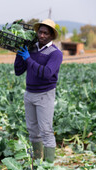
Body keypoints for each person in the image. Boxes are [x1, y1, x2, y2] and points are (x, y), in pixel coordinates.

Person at [14, 19, 63, 162]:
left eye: (45, 33)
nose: (41, 35)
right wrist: (19, 55)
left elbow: (47, 73)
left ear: (51, 36)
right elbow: (18, 71)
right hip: (29, 93)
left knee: (46, 130)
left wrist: (28, 59)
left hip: (45, 94)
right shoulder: (32, 49)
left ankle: (48, 166)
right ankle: (37, 161)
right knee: (33, 131)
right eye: (40, 32)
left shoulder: (55, 53)